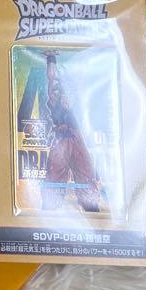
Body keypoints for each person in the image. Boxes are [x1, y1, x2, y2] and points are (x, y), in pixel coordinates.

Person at [43, 52, 103, 212]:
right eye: (64, 95)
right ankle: (50, 204)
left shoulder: (78, 102)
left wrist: (83, 61)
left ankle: (90, 204)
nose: (66, 98)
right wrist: (51, 59)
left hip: (76, 140)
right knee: (54, 173)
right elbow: (51, 80)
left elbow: (81, 84)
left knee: (85, 171)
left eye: (70, 95)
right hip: (61, 141)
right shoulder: (55, 101)